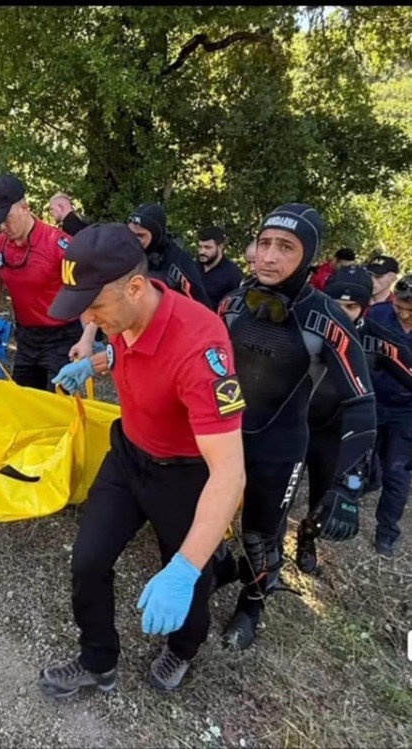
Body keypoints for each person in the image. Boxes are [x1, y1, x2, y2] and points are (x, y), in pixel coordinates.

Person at [38, 224, 246, 694]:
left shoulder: (200, 347)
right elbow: (125, 346)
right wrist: (90, 363)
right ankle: (98, 660)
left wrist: (186, 567)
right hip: (128, 455)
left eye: (95, 306)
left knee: (189, 574)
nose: (88, 319)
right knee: (88, 560)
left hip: (185, 475)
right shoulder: (128, 312)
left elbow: (230, 474)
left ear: (134, 287)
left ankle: (184, 646)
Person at [215, 204, 375, 650]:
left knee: (261, 534)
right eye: (264, 243)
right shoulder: (230, 303)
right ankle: (220, 569)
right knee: (200, 513)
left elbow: (361, 403)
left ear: (308, 258)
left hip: (280, 445)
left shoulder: (327, 319)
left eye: (285, 247)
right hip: (224, 435)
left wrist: (347, 485)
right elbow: (205, 365)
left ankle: (251, 605)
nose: (268, 257)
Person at [298, 267, 412, 571]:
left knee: (323, 499)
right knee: (277, 494)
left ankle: (307, 540)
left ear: (364, 308)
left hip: (335, 432)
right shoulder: (303, 322)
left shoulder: (378, 341)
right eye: (334, 305)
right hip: (294, 425)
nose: (341, 314)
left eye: (350, 307)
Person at [0, 175, 97, 389]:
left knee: (57, 408)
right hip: (26, 339)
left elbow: (87, 291)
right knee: (26, 405)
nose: (2, 226)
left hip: (61, 337)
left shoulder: (58, 245)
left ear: (25, 208)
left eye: (6, 218)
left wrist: (87, 338)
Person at [366, 274, 412, 556]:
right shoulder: (379, 315)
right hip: (372, 400)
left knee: (397, 471)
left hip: (406, 411)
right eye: (400, 307)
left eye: (411, 311)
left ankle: (386, 532)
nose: (404, 315)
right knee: (364, 460)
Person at [127, 203, 213, 308]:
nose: (134, 240)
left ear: (155, 235)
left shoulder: (178, 261)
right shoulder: (123, 250)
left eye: (140, 235)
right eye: (130, 234)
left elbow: (201, 304)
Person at [196, 226, 244, 309]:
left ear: (221, 247)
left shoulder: (233, 274)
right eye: (200, 247)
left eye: (207, 247)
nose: (202, 251)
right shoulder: (193, 267)